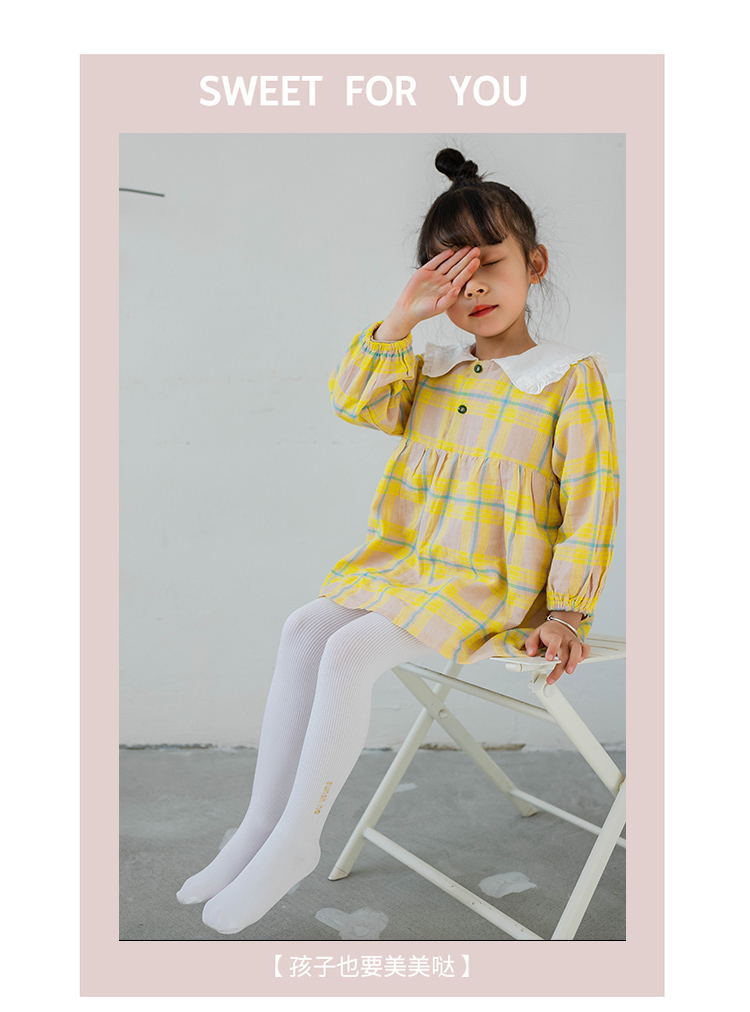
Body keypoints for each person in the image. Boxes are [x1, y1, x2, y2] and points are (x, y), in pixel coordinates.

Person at [176, 146, 620, 935]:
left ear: (535, 264)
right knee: (305, 627)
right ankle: (258, 828)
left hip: (492, 585)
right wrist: (402, 319)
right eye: (451, 273)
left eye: (490, 264)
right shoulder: (431, 366)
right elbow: (353, 402)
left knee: (350, 651)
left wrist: (569, 613)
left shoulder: (566, 377)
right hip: (411, 568)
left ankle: (298, 840)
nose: (473, 288)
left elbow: (593, 501)